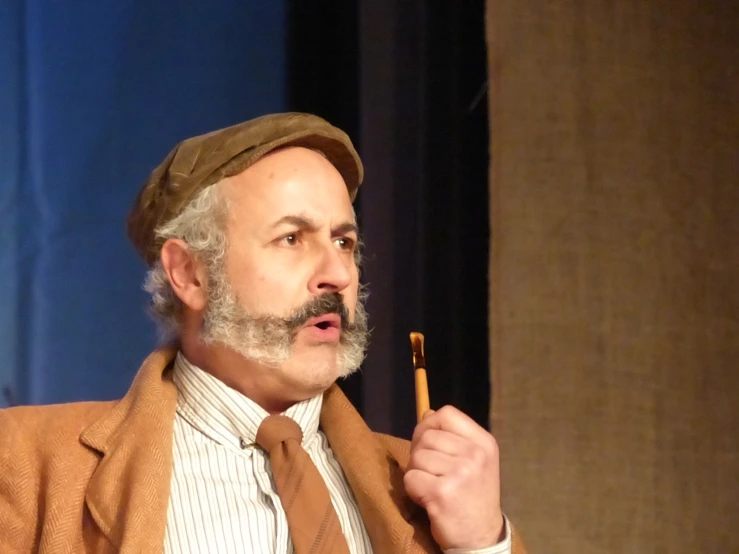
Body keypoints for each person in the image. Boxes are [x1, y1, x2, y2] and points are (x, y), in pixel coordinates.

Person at [0, 113, 527, 553]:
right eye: (292, 238)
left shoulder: (424, 487)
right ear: (190, 273)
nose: (338, 274)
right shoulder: (30, 462)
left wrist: (482, 544)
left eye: (344, 242)